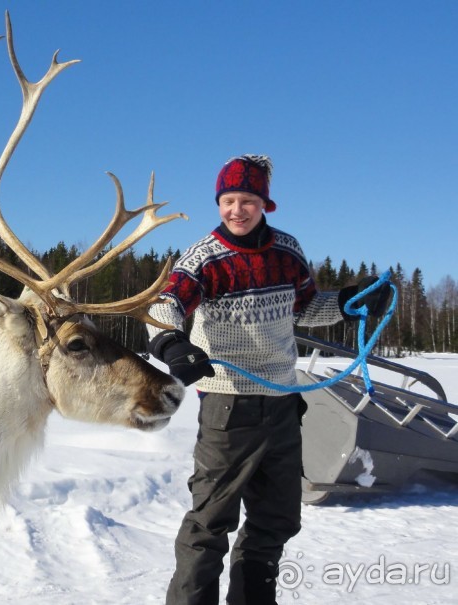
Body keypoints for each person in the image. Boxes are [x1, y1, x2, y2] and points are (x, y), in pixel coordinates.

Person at [146, 154, 391, 605]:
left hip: (282, 405)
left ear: (264, 204)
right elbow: (164, 306)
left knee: (276, 520)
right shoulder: (206, 257)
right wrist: (171, 344)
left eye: (247, 201)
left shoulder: (287, 251)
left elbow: (306, 308)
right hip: (228, 405)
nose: (236, 210)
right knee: (210, 524)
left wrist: (349, 301)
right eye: (228, 201)